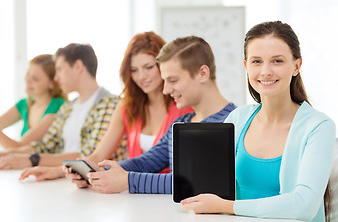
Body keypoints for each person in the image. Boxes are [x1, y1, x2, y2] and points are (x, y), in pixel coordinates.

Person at [180, 21, 336, 222]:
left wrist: (227, 207)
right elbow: (208, 185)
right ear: (246, 66)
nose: (266, 71)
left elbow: (304, 205)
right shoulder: (237, 119)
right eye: (256, 61)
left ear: (296, 66)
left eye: (277, 61)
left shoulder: (318, 127)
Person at [63, 36, 237, 194]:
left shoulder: (233, 122)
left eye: (173, 80)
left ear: (203, 73)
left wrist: (128, 181)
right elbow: (145, 162)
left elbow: (196, 182)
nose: (166, 89)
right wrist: (97, 175)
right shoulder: (181, 123)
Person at [19, 31, 192, 180]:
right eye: (134, 70)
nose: (141, 76)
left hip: (169, 196)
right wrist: (58, 172)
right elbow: (98, 155)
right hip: (133, 194)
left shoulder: (184, 107)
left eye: (148, 67)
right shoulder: (128, 108)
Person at [0, 43, 125, 169]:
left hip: (87, 183)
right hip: (62, 177)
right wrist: (7, 154)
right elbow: (45, 146)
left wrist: (32, 160)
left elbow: (90, 156)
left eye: (59, 69)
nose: (56, 77)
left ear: (78, 67)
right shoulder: (67, 108)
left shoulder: (110, 104)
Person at [0, 54, 66, 149]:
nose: (27, 80)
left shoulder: (58, 106)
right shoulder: (24, 104)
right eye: (28, 74)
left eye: (35, 79)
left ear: (52, 83)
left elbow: (20, 148)